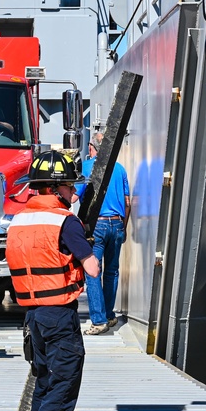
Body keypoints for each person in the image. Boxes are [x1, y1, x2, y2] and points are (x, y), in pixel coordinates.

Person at [7, 151, 100, 411]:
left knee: (46, 384)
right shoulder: (65, 221)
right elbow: (92, 267)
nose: (74, 194)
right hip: (59, 315)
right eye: (71, 188)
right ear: (57, 188)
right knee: (63, 386)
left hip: (33, 317)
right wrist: (85, 245)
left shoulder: (19, 219)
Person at [75, 132, 130, 335]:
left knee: (92, 272)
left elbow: (73, 197)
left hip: (96, 225)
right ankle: (108, 315)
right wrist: (123, 227)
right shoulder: (120, 169)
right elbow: (127, 202)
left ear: (92, 148)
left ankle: (98, 321)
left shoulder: (88, 168)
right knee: (111, 271)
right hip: (117, 224)